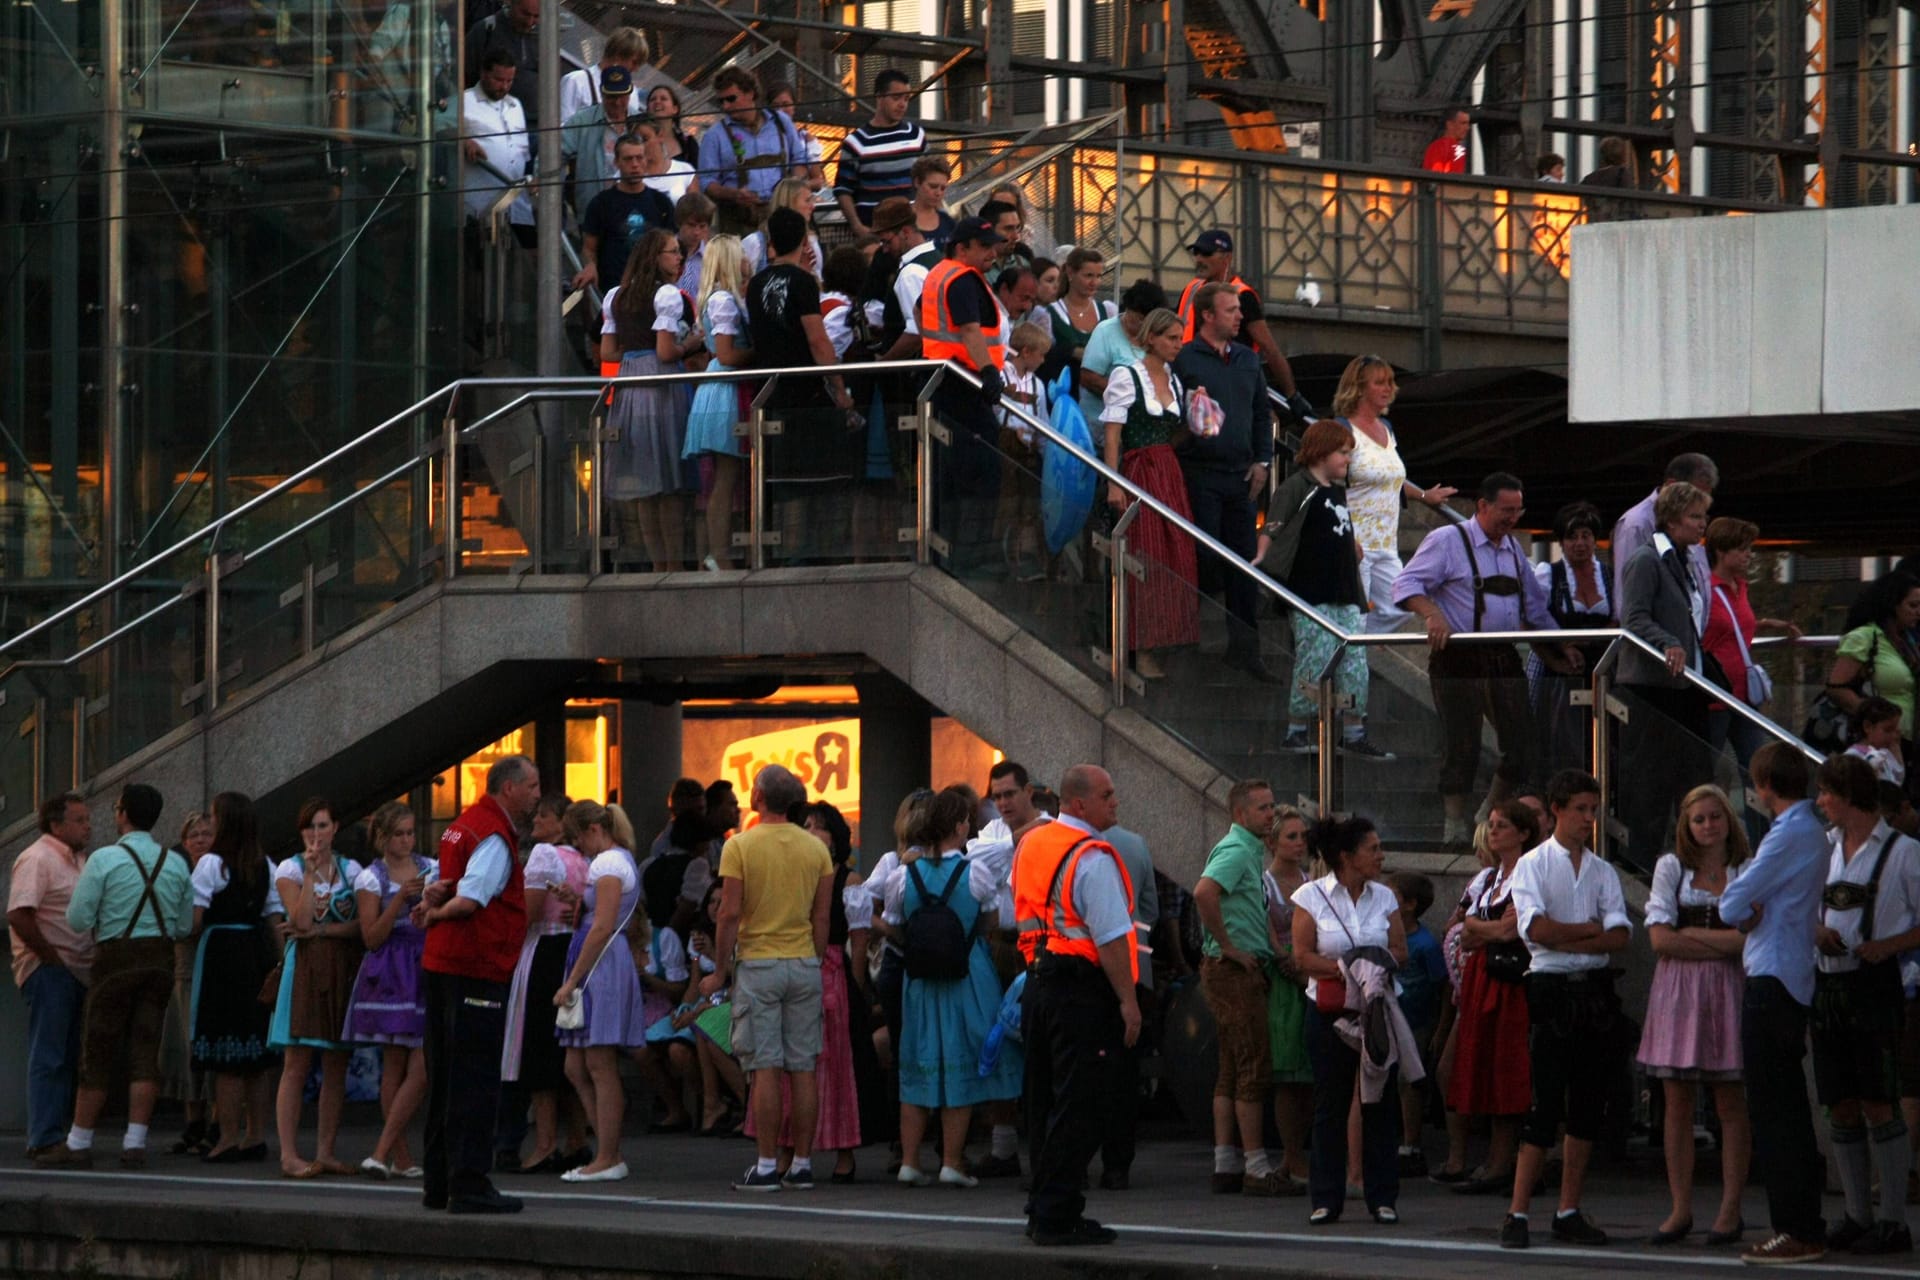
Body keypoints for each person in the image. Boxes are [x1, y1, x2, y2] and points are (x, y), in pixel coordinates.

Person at [1395, 472, 1584, 848]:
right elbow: (1405, 585)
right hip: (1457, 658)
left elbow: (1534, 608)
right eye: (1506, 510)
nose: (1513, 518)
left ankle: (1488, 811)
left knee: (1523, 744)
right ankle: (1453, 827)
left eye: (1518, 511)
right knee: (1460, 744)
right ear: (1483, 506)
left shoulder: (1513, 549)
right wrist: (1433, 614)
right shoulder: (1448, 540)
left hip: (1502, 655)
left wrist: (1562, 645)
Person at [1500, 770, 1630, 1250]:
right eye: (1580, 809)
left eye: (1592, 811)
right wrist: (1588, 931)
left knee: (1587, 1102)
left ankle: (1568, 1207)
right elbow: (1537, 931)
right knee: (1545, 1101)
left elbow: (1620, 936)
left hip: (1591, 986)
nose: (1588, 820)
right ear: (1557, 809)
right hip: (1551, 983)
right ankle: (1516, 1211)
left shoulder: (1601, 870)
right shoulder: (1534, 864)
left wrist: (1571, 931)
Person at [1013, 764, 1139, 1247]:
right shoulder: (1092, 856)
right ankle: (1056, 1213)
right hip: (1082, 990)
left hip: (1038, 981)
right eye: (1108, 795)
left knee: (1046, 1100)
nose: (1115, 802)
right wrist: (1128, 1001)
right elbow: (1109, 937)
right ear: (1080, 803)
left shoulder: (1033, 843)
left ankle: (1043, 1205)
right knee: (1082, 1104)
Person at [35, 783, 193, 1170]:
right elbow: (185, 924)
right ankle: (135, 1142)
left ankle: (78, 1142)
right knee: (145, 1050)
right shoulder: (175, 862)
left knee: (97, 1050)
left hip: (115, 960)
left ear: (122, 814)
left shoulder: (104, 860)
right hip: (159, 962)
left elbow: (78, 919)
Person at [1717, 742, 1832, 1264]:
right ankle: (1803, 1221)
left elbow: (1732, 903)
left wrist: (1745, 902)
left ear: (1764, 786)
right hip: (1791, 973)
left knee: (1774, 1110)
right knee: (1786, 1108)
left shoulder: (1788, 833)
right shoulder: (1812, 829)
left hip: (1772, 975)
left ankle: (1796, 1227)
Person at [418, 753, 541, 1215]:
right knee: (474, 1078)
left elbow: (442, 880)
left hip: (443, 964)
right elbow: (470, 899)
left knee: (445, 1079)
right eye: (531, 786)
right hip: (475, 967)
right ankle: (468, 1183)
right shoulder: (492, 834)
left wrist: (432, 900)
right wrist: (436, 911)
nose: (535, 795)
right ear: (508, 788)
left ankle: (438, 1182)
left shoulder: (462, 824)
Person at [1810, 753, 1920, 1255]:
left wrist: (1889, 946)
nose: (1819, 803)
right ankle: (1857, 1213)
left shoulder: (1904, 852)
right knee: (1841, 1102)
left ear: (1848, 795)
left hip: (1876, 986)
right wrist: (1816, 930)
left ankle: (1893, 1219)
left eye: (1826, 794)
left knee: (1880, 1100)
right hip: (1829, 986)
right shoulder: (1825, 848)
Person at [1635, 784, 1752, 1245]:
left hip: (1728, 989)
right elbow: (1660, 940)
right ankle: (1680, 1207)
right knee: (1677, 1102)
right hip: (1678, 992)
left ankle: (1730, 1208)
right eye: (1699, 819)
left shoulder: (1744, 868)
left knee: (1729, 1101)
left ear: (1728, 820)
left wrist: (1691, 936)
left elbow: (1750, 940)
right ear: (1687, 825)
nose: (1707, 825)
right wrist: (1722, 942)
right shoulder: (1671, 868)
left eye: (1714, 817)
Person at [891, 787, 1022, 1186]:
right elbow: (992, 921)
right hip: (968, 975)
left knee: (918, 1063)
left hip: (920, 982)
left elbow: (897, 924)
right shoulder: (974, 872)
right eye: (966, 820)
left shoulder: (904, 875)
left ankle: (909, 1162)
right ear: (959, 825)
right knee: (961, 1063)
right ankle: (952, 1162)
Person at [715, 764, 835, 1191]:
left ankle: (766, 1165)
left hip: (759, 963)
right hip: (803, 961)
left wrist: (719, 968)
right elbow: (821, 916)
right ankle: (801, 1164)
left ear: (759, 796)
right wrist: (814, 958)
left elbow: (729, 913)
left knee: (765, 1068)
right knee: (803, 1068)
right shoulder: (817, 849)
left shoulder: (740, 846)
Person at [1292, 815, 1406, 1225]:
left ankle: (1382, 1197)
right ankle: (1326, 1197)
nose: (1380, 855)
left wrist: (1373, 968)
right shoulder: (1311, 896)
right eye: (1372, 848)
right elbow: (1302, 955)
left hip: (1376, 1011)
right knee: (1330, 1103)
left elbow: (1400, 949)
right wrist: (1347, 969)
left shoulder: (1385, 897)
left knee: (1379, 1102)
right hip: (1330, 1010)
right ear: (1346, 856)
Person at [1194, 780, 1297, 1196]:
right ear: (1241, 815)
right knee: (1254, 1063)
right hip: (1233, 970)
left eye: (1272, 806)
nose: (1271, 814)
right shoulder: (1238, 850)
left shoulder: (1246, 850)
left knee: (1233, 1067)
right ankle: (1256, 1166)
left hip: (1233, 966)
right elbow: (1205, 893)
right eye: (1263, 809)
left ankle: (1227, 1161)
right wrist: (1230, 947)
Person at [1261, 419, 1387, 756]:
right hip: (1308, 589)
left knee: (1354, 660)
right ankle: (1297, 727)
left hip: (1344, 587)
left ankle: (1353, 729)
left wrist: (1353, 546)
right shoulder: (1297, 486)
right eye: (1343, 453)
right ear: (1321, 453)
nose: (1348, 460)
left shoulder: (1337, 491)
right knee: (1314, 655)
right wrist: (1262, 557)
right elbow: (1274, 525)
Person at [1174, 280, 1279, 683]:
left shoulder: (1247, 360)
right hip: (1198, 471)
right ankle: (1186, 638)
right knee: (1202, 556)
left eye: (1239, 309)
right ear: (1208, 315)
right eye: (1232, 310)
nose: (1240, 316)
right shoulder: (1185, 358)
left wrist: (1263, 461)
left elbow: (1259, 412)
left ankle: (1245, 649)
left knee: (1245, 564)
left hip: (1241, 475)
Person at [747, 207, 858, 559]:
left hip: (770, 391)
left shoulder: (756, 283)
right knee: (817, 485)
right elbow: (818, 340)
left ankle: (787, 559)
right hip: (806, 393)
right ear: (802, 238)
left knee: (786, 488)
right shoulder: (802, 282)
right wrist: (839, 389)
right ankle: (813, 560)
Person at [1442, 801, 1540, 1194]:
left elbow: (1507, 931)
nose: (1494, 831)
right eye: (1492, 824)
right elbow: (1461, 931)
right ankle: (1489, 1160)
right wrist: (1480, 927)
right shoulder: (1490, 879)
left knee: (1506, 1070)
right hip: (1483, 979)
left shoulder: (1527, 875)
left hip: (1510, 982)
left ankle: (1502, 1163)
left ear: (1524, 833)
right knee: (1481, 1067)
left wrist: (1477, 927)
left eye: (1503, 825)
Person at [1618, 479, 1716, 869]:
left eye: (1703, 516)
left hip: (1683, 684)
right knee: (1651, 780)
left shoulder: (1682, 560)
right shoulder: (1646, 560)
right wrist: (1667, 642)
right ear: (1672, 521)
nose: (1702, 524)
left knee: (1693, 775)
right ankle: (1642, 860)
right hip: (1653, 687)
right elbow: (1634, 616)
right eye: (1695, 516)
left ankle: (1693, 856)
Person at [1099, 306, 1200, 680]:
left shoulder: (1173, 379)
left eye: (1179, 338)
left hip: (1168, 471)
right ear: (1152, 338)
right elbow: (1113, 433)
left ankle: (1164, 641)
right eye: (1172, 338)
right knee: (1147, 552)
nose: (1177, 345)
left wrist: (1200, 414)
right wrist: (1114, 482)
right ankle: (1139, 649)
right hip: (1140, 470)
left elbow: (1173, 432)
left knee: (1175, 555)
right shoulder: (1127, 375)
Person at [266, 798, 364, 1179]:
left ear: (335, 828)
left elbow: (359, 925)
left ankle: (326, 1150)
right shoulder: (289, 869)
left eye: (323, 826)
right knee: (297, 1062)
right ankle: (289, 1154)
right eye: (310, 827)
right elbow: (300, 920)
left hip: (340, 966)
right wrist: (309, 876)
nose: (316, 835)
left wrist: (323, 930)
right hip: (303, 967)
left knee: (336, 1062)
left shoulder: (351, 869)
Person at [551, 800, 648, 1182]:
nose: (579, 849)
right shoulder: (617, 859)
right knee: (576, 1064)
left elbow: (603, 926)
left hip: (600, 966)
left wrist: (572, 980)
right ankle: (609, 1150)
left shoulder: (608, 863)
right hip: (603, 961)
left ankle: (608, 1155)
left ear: (592, 831)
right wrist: (578, 903)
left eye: (577, 840)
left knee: (598, 1064)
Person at [1331, 355, 1456, 635]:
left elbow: (1391, 479)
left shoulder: (1386, 429)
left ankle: (1355, 647)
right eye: (1379, 383)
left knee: (1398, 609)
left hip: (1386, 542)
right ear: (1359, 388)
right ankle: (1348, 661)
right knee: (1355, 616)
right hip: (1355, 542)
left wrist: (1424, 495)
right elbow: (1329, 485)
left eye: (1390, 382)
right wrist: (1347, 537)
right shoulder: (1343, 429)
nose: (1388, 388)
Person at [343, 802, 436, 1179]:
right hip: (391, 968)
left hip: (425, 962)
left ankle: (384, 1152)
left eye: (411, 832)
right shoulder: (371, 878)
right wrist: (399, 899)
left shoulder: (431, 867)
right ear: (382, 837)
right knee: (394, 1064)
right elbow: (371, 937)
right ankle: (400, 1155)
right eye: (399, 834)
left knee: (422, 1064)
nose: (407, 840)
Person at [188, 792, 282, 1163]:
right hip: (255, 952)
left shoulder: (212, 864)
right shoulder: (265, 864)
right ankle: (255, 1135)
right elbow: (274, 919)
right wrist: (279, 963)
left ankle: (227, 1136)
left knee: (226, 1058)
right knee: (255, 1056)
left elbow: (195, 919)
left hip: (222, 955)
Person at [601, 227, 698, 571]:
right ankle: (673, 563)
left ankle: (658, 563)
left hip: (630, 382)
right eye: (672, 251)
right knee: (668, 480)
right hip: (661, 383)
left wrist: (633, 350)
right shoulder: (667, 295)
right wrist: (692, 343)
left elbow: (608, 352)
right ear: (656, 258)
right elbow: (666, 350)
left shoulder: (616, 296)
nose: (679, 257)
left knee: (644, 480)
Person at [502, 794, 589, 1173]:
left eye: (544, 814)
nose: (536, 820)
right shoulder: (582, 858)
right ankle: (576, 1139)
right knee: (567, 1047)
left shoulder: (543, 855)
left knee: (538, 1048)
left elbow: (531, 910)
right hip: (571, 950)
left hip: (543, 953)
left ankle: (544, 1143)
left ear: (561, 822)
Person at [920, 216, 1012, 574]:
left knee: (952, 470)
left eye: (994, 246)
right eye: (984, 247)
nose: (993, 253)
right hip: (963, 382)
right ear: (962, 248)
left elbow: (921, 312)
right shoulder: (961, 279)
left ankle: (953, 549)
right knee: (979, 468)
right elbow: (970, 329)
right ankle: (969, 552)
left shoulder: (941, 273)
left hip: (944, 378)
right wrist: (988, 370)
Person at [9, 791, 94, 1160]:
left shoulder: (80, 861)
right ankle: (44, 1136)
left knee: (66, 1054)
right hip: (51, 969)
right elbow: (19, 913)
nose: (87, 827)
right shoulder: (38, 858)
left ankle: (54, 1135)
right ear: (56, 824)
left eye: (87, 820)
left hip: (77, 969)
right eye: (79, 820)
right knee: (50, 1053)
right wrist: (50, 957)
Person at [1702, 516, 1801, 800]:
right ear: (1722, 551)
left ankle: (1761, 837)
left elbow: (1735, 625)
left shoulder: (1740, 586)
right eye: (1742, 549)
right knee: (1706, 768)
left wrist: (1770, 624)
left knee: (1759, 772)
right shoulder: (1706, 589)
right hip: (1716, 694)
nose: (1749, 555)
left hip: (1744, 695)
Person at [681, 234, 753, 572]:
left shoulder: (721, 297)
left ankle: (719, 550)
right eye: (739, 255)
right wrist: (760, 353)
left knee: (728, 476)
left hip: (720, 383)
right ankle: (718, 552)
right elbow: (725, 353)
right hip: (726, 385)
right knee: (726, 476)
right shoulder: (723, 300)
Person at [1528, 501, 1611, 783]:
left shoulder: (1610, 577)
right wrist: (1557, 656)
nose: (1579, 543)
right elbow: (1529, 621)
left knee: (1606, 743)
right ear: (1561, 542)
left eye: (1585, 535)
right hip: (1560, 675)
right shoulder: (1547, 574)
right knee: (1560, 745)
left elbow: (1621, 620)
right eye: (1571, 537)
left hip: (1603, 673)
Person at [1174, 230, 1304, 406]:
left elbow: (1269, 348)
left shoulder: (1243, 296)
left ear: (1226, 258)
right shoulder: (1192, 290)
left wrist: (1292, 395)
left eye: (1206, 253)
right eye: (1196, 253)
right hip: (1188, 383)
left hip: (1228, 388)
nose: (1199, 259)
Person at [1823, 570, 1920, 782]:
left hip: (1905, 740)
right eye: (1912, 606)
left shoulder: (1907, 642)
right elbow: (1836, 687)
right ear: (1893, 605)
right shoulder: (1866, 637)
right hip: (1880, 744)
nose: (1918, 612)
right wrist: (1873, 719)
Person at [1261, 805, 1314, 1185]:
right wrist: (1288, 963)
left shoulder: (1312, 880)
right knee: (1286, 1073)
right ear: (1272, 842)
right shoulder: (1265, 884)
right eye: (1291, 837)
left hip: (1312, 975)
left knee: (1310, 1073)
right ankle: (1291, 1155)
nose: (1299, 843)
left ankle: (1305, 1154)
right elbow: (1266, 933)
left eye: (1302, 837)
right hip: (1283, 981)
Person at [158, 810, 214, 1155]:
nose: (200, 840)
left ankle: (215, 1123)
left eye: (206, 834)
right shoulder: (176, 875)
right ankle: (192, 1122)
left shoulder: (221, 873)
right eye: (193, 834)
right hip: (183, 967)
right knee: (184, 1046)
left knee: (211, 1047)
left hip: (211, 966)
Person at [696, 66, 807, 235]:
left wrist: (791, 190)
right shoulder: (715, 136)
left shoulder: (781, 122)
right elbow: (706, 182)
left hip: (782, 219)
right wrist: (734, 194)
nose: (726, 106)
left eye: (731, 99)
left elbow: (799, 159)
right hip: (738, 224)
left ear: (750, 93)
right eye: (721, 101)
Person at [1389, 871, 1445, 1178]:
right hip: (1386, 1018)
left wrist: (1439, 1027)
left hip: (1416, 1020)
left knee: (1409, 1082)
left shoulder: (1424, 944)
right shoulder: (1383, 934)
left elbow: (1442, 984)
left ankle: (1411, 1144)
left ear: (1409, 905)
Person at [570, 134, 677, 295]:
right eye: (628, 159)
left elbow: (672, 248)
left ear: (646, 160)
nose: (635, 164)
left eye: (639, 158)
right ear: (616, 162)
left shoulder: (661, 203)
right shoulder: (601, 203)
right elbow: (589, 248)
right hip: (613, 293)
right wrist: (590, 266)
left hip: (654, 294)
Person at [1610, 452, 1717, 610]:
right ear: (1671, 484)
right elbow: (1627, 597)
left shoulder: (1691, 534)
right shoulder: (1637, 524)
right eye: (1694, 495)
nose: (1701, 505)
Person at [833, 70, 926, 234]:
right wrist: (857, 227)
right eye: (896, 98)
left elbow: (929, 180)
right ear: (879, 97)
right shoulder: (856, 142)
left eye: (906, 99)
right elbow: (843, 190)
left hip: (912, 230)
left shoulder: (916, 136)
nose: (902, 104)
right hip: (874, 233)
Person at [457, 50, 532, 240]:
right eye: (499, 80)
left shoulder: (515, 105)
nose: (504, 86)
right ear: (483, 74)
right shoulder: (463, 102)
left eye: (509, 81)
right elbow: (438, 130)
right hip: (478, 207)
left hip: (515, 205)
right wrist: (463, 141)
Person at [1077, 280, 1165, 424]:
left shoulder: (1156, 338)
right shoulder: (1106, 331)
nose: (1140, 324)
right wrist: (1131, 396)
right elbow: (1088, 378)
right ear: (1128, 308)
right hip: (1100, 422)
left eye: (1146, 321)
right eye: (1137, 317)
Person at [558, 64, 638, 203]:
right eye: (612, 97)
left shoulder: (640, 122)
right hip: (593, 206)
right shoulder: (582, 120)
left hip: (634, 204)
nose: (617, 102)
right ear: (602, 93)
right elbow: (554, 152)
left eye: (622, 96)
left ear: (630, 93)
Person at [1042, 248, 1115, 386]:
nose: (1094, 282)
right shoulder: (1048, 314)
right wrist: (1070, 352)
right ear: (1070, 273)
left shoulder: (1108, 311)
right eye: (1088, 276)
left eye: (1098, 276)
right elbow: (1042, 355)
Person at [464, 0, 540, 125]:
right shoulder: (486, 29)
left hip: (537, 122)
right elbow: (465, 73)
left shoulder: (545, 35)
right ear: (512, 4)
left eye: (536, 16)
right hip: (492, 120)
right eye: (525, 14)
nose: (530, 22)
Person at [557, 26, 644, 124]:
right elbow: (563, 127)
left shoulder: (631, 92)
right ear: (618, 55)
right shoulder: (575, 81)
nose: (636, 69)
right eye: (634, 62)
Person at [741, 178, 823, 279]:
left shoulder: (811, 241)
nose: (812, 206)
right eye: (807, 201)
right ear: (789, 203)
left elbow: (818, 283)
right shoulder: (756, 243)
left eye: (812, 200)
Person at [1850, 698, 1909, 787]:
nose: (1893, 736)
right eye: (1888, 730)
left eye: (1895, 730)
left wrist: (1896, 746)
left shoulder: (1885, 752)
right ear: (1867, 727)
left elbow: (1898, 779)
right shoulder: (1853, 757)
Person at [647, 83, 701, 167]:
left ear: (675, 109)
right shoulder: (639, 142)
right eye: (653, 99)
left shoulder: (688, 144)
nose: (657, 101)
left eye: (663, 99)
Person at [1421, 107, 1471, 174]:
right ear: (1450, 125)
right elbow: (1435, 175)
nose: (1467, 128)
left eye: (1468, 124)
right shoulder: (1440, 147)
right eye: (1463, 123)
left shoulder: (1437, 146)